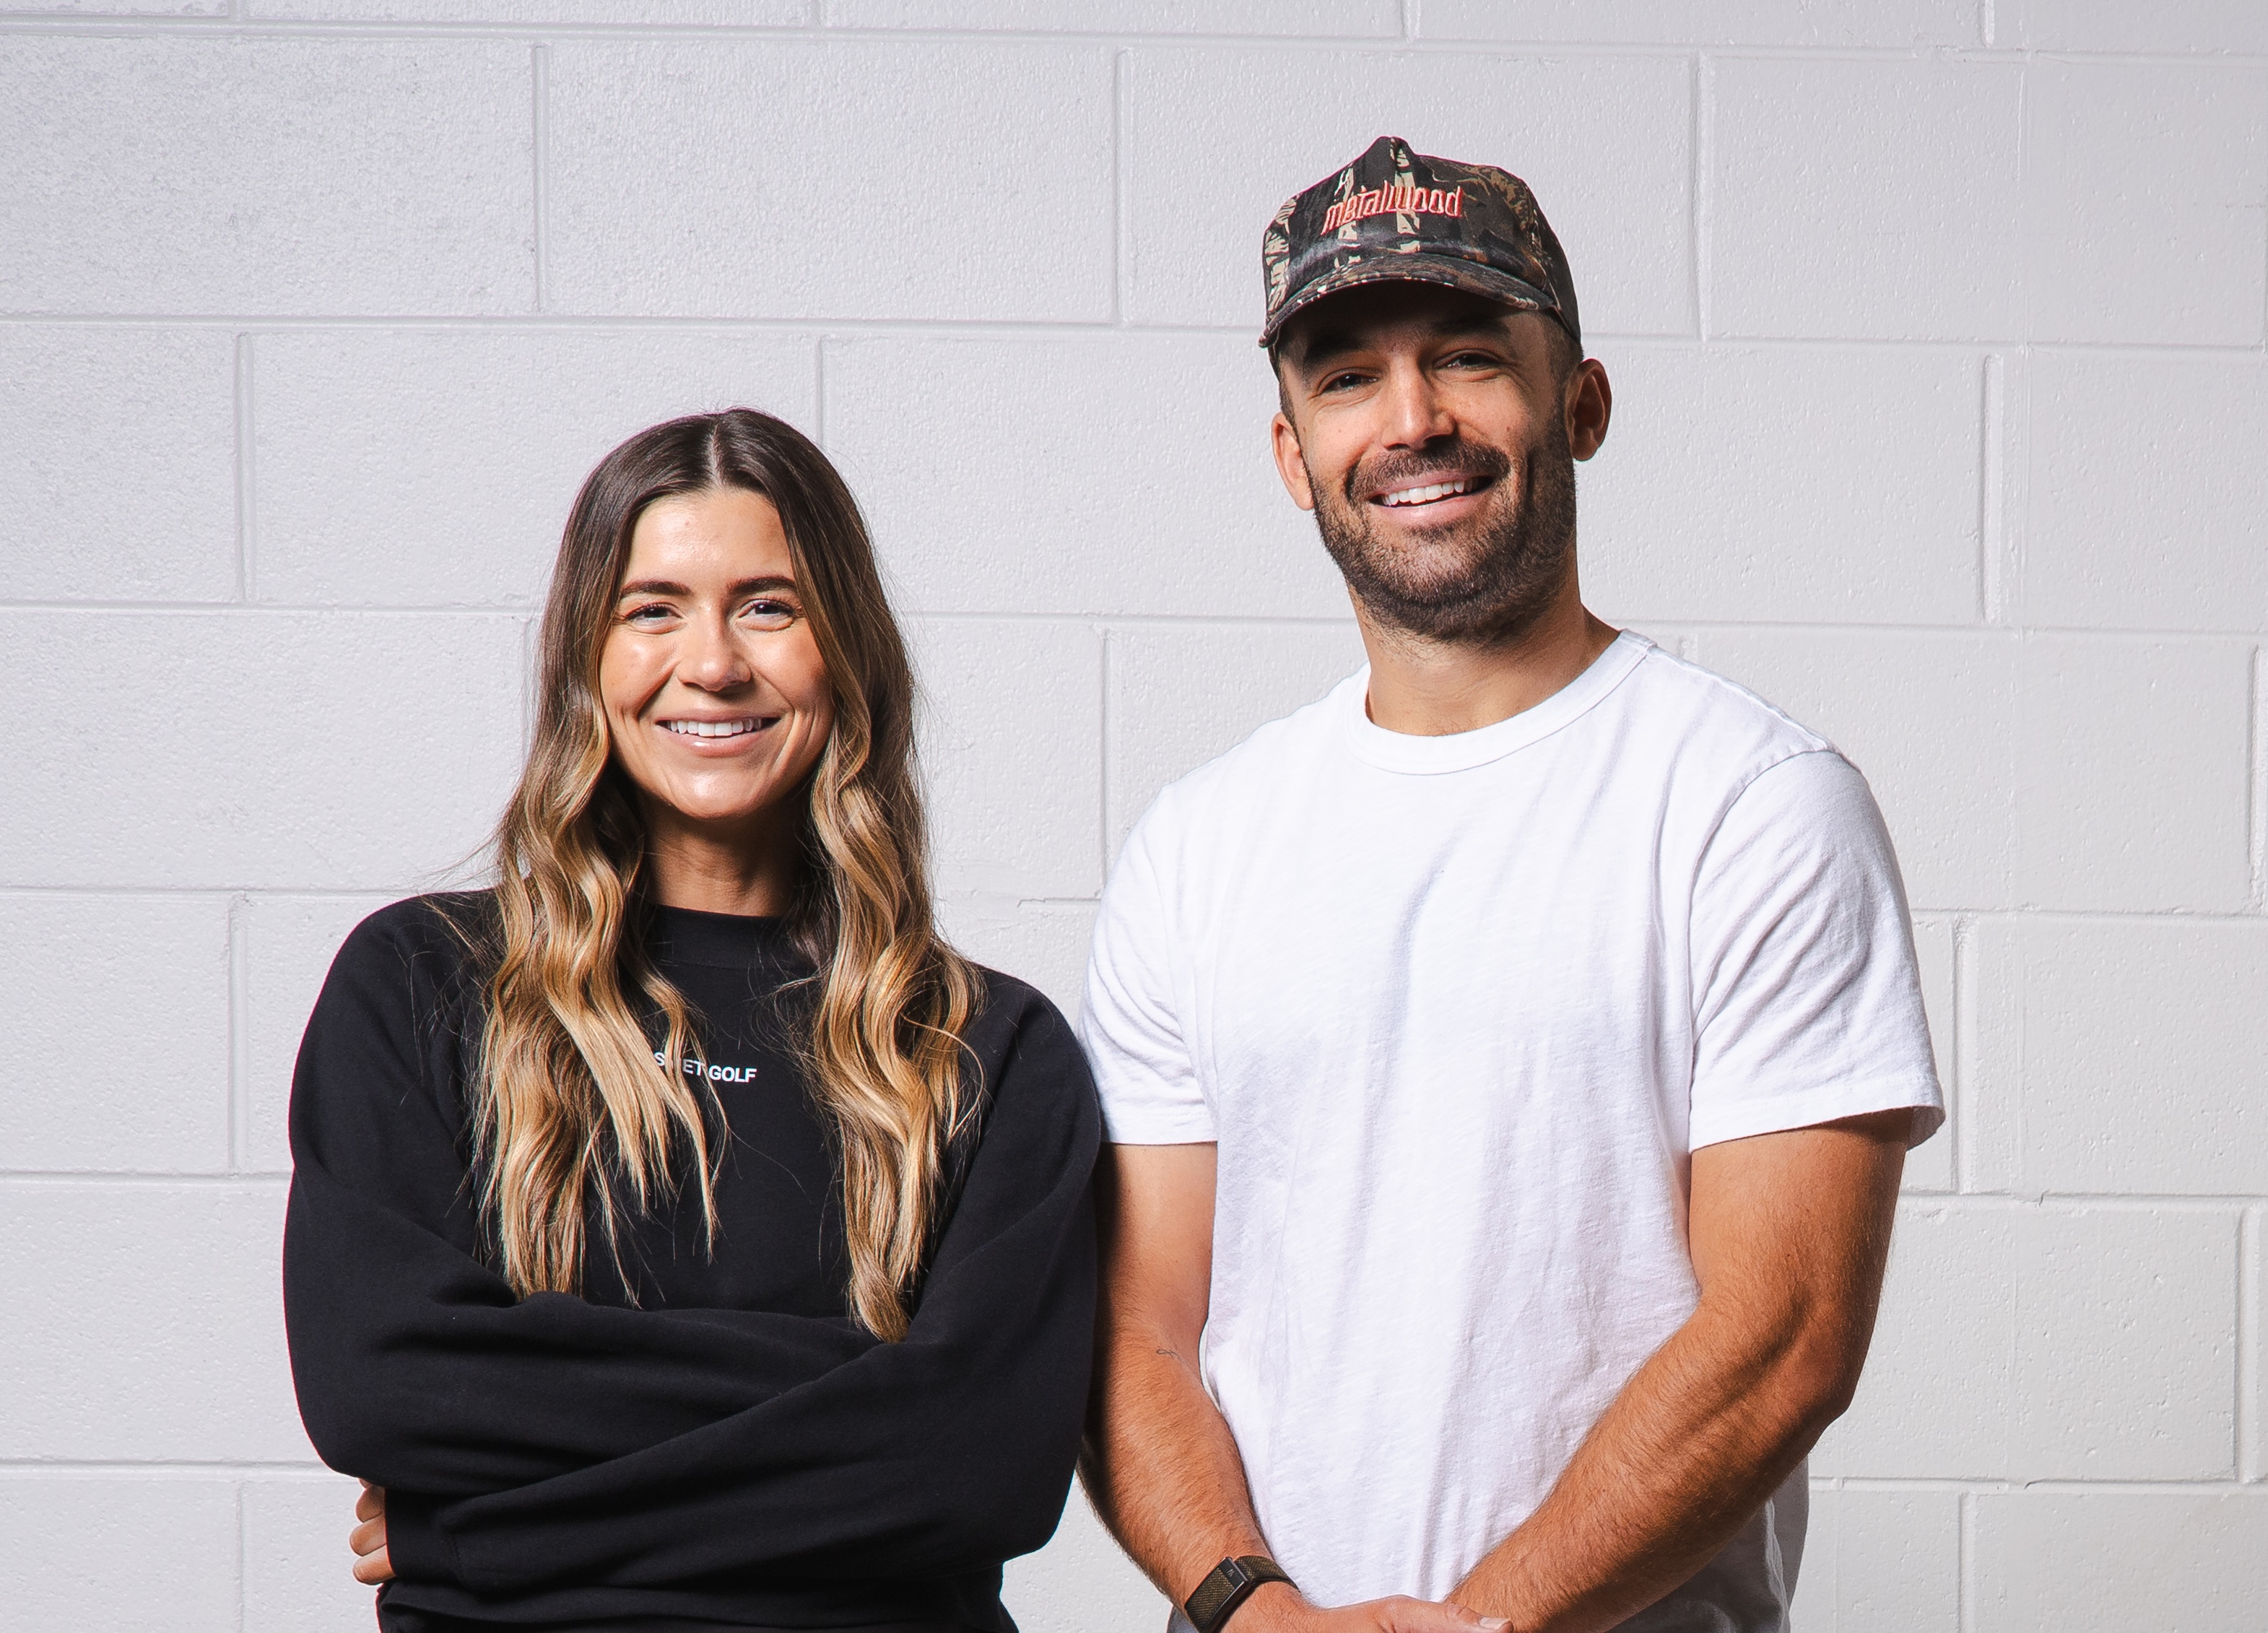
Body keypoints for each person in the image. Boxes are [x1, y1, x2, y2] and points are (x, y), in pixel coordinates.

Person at [1077, 137, 1944, 1633]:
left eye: (1467, 358)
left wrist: (1482, 1626)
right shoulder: (1196, 846)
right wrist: (1253, 1609)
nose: (1411, 420)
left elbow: (1783, 1336)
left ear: (1580, 405)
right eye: (1345, 377)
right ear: (1291, 454)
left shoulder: (1752, 806)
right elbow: (1134, 1330)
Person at [282, 409, 1100, 1633]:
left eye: (768, 606)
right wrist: (853, 1397)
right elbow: (384, 1385)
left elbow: (979, 1457)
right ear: (586, 660)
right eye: (652, 609)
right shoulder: (421, 984)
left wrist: (474, 1527)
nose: (712, 662)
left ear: (847, 652)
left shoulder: (989, 1048)